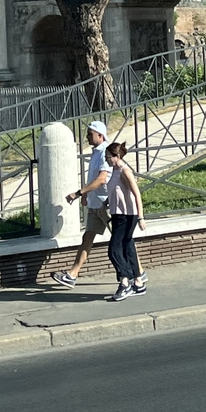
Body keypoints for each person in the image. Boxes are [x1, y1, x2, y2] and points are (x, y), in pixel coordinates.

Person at [51, 121, 147, 289]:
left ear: (100, 135)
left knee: (124, 241)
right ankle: (72, 275)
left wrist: (79, 193)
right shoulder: (96, 153)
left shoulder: (107, 152)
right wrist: (86, 194)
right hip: (96, 204)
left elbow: (102, 179)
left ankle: (138, 273)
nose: (87, 136)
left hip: (108, 205)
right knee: (87, 237)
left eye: (90, 133)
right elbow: (94, 179)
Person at [104, 141, 146, 302]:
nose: (106, 160)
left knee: (114, 249)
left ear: (117, 156)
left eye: (108, 157)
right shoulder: (114, 170)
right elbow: (117, 190)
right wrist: (107, 202)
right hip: (117, 214)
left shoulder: (124, 171)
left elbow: (136, 194)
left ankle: (125, 281)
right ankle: (138, 282)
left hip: (127, 216)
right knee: (128, 246)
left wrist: (141, 217)